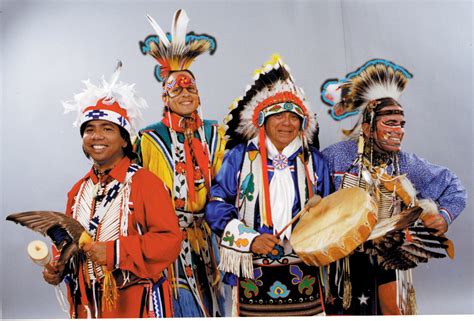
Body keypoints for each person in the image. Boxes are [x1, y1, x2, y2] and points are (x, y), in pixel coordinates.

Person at [320, 59, 467, 315]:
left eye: (401, 124)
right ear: (367, 127)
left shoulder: (406, 163)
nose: (398, 130)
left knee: (392, 312)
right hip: (341, 260)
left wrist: (443, 216)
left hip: (389, 258)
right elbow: (311, 188)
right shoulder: (335, 157)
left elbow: (453, 187)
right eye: (390, 123)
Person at [42, 62, 182, 318]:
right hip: (87, 305)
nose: (97, 136)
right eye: (89, 130)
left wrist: (116, 251)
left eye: (107, 129)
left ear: (125, 139)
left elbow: (170, 241)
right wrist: (59, 266)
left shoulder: (145, 183)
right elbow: (68, 241)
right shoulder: (78, 191)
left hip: (134, 302)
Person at [205, 54, 331, 317]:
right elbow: (216, 206)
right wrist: (251, 240)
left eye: (294, 116)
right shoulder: (239, 158)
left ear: (303, 123)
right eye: (279, 115)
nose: (287, 122)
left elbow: (329, 209)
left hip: (306, 267)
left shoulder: (314, 162)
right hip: (252, 267)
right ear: (262, 121)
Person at [135, 9, 225, 317]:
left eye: (191, 89)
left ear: (199, 95)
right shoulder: (149, 138)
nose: (185, 94)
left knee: (213, 301)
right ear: (165, 96)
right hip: (167, 239)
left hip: (208, 237)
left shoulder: (215, 133)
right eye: (177, 89)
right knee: (176, 305)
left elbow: (228, 183)